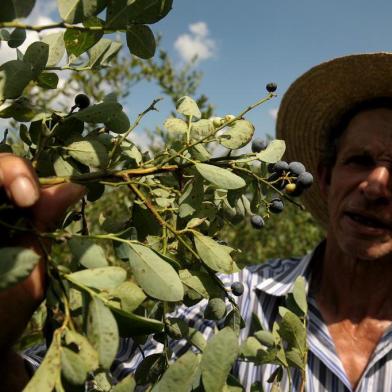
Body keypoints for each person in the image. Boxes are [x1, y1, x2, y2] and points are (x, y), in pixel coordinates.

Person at [4, 52, 392, 391]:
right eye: (360, 160)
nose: (376, 185)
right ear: (324, 178)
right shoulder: (233, 301)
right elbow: (60, 379)